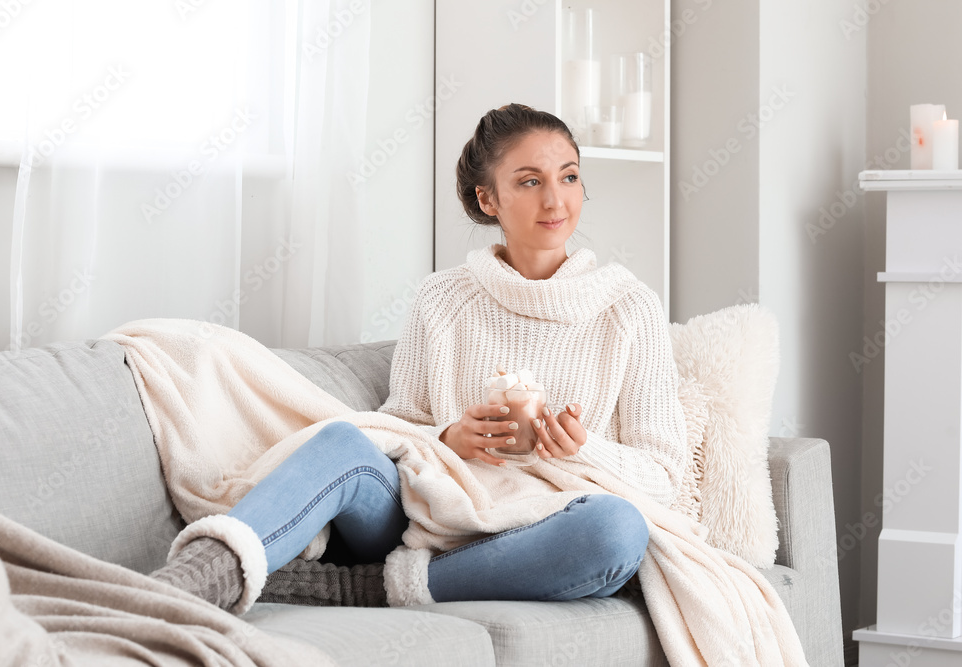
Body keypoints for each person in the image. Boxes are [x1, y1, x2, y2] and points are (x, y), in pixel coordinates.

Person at [149, 103, 689, 614]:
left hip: (544, 527)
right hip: (428, 509)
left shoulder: (628, 308)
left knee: (617, 532)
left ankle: (363, 588)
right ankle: (185, 586)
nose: (556, 200)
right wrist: (449, 438)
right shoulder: (443, 299)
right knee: (344, 443)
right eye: (530, 181)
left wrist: (583, 449)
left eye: (569, 177)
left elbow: (664, 474)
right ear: (488, 200)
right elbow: (398, 427)